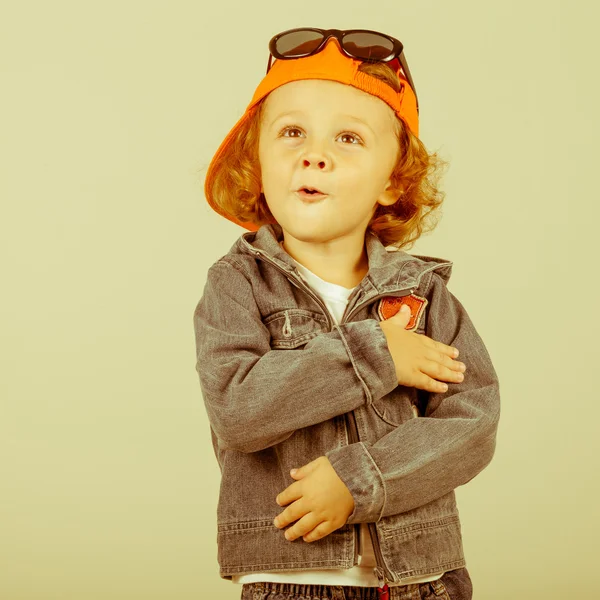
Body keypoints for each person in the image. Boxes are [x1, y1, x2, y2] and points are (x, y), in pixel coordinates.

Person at [193, 27, 500, 600]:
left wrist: (362, 479)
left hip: (421, 580)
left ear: (392, 182)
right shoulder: (237, 285)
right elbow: (237, 409)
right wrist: (377, 353)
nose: (315, 153)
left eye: (348, 138)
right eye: (291, 132)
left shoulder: (424, 296)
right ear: (257, 162)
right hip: (291, 578)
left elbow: (472, 422)